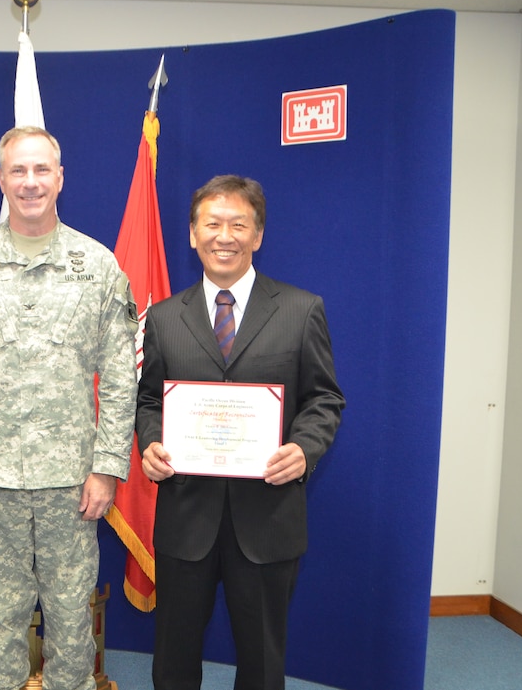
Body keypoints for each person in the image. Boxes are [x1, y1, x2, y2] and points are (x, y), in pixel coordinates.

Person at [0, 126, 138, 690]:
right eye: (18, 171)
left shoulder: (98, 265)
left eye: (42, 170)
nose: (30, 182)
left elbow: (119, 378)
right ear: (0, 179)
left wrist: (107, 467)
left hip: (74, 485)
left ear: (61, 177)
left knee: (72, 630)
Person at [136, 175, 345, 690]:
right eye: (212, 224)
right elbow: (147, 401)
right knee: (174, 656)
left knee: (262, 660)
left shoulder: (301, 310)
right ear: (192, 234)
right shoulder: (163, 317)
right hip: (186, 518)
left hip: (268, 517)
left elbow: (324, 398)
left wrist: (303, 448)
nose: (223, 235)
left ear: (258, 236)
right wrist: (150, 443)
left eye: (238, 224)